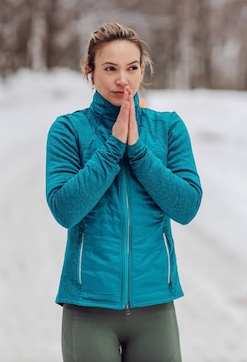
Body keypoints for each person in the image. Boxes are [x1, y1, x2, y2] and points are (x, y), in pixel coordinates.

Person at [45, 22, 203, 362]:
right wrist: (114, 146)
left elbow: (187, 206)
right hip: (88, 307)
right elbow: (65, 209)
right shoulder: (68, 130)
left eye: (132, 68)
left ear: (142, 69)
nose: (123, 79)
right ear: (90, 73)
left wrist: (139, 151)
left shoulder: (168, 127)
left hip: (155, 306)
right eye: (110, 68)